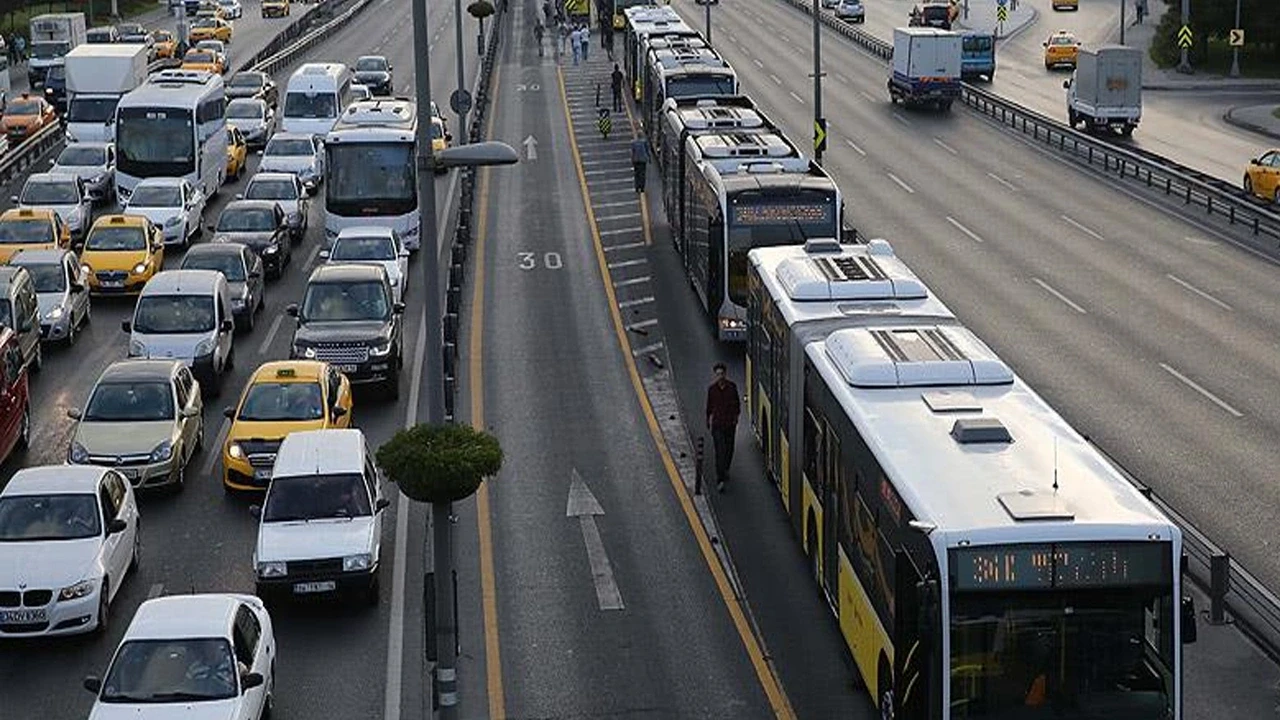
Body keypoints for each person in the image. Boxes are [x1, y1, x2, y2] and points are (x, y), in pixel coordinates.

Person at [705, 362, 740, 493]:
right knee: (720, 450)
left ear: (725, 374)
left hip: (729, 424)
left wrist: (736, 417)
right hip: (718, 425)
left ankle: (725, 468)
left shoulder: (732, 387)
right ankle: (720, 478)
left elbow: (737, 404)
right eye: (718, 374)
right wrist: (708, 420)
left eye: (722, 374)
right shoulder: (712, 390)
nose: (720, 376)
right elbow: (709, 406)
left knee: (729, 449)